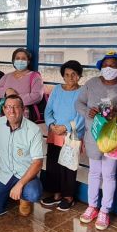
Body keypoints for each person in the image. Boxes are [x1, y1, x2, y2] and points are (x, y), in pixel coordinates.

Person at [75, 51, 117, 229]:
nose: (109, 68)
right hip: (93, 134)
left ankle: (105, 211)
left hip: (112, 136)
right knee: (94, 172)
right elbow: (78, 103)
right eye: (106, 65)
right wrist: (87, 112)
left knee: (109, 174)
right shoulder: (91, 83)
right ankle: (92, 207)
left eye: (113, 65)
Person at [0, 94, 44, 217]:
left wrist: (20, 184)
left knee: (33, 194)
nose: (11, 111)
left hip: (25, 173)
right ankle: (10, 193)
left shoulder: (33, 130)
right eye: (8, 107)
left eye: (15, 107)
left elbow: (38, 163)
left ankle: (24, 199)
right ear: (4, 109)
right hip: (4, 173)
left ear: (23, 109)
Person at [40, 61, 84, 212]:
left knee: (68, 166)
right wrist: (52, 125)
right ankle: (56, 194)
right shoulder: (57, 89)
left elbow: (82, 115)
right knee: (53, 164)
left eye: (74, 74)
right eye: (67, 74)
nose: (70, 77)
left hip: (71, 134)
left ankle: (68, 197)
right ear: (63, 76)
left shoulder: (83, 92)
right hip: (54, 132)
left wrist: (65, 127)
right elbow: (48, 110)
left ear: (79, 75)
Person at [0, 48, 44, 121]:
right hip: (5, 114)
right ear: (13, 61)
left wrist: (15, 99)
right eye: (17, 58)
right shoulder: (7, 76)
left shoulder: (35, 76)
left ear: (28, 61)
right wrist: (6, 91)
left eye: (23, 58)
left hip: (24, 115)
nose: (20, 60)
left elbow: (37, 96)